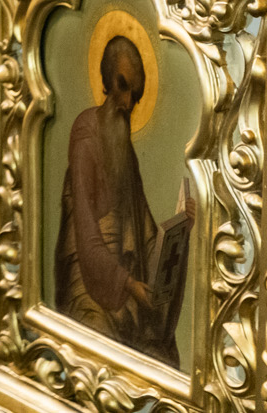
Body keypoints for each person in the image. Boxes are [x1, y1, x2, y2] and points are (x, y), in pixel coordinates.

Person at [54, 36, 180, 364]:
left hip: (123, 275)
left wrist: (183, 225)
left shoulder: (122, 144)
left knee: (162, 353)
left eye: (134, 95)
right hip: (87, 275)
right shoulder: (85, 133)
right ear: (108, 79)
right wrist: (127, 284)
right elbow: (85, 231)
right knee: (101, 349)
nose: (126, 103)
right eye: (122, 88)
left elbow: (145, 229)